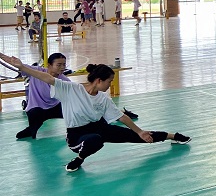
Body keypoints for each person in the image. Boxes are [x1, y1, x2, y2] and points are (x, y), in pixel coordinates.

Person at [0, 55, 188, 171]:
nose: (110, 85)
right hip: (77, 134)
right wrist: (22, 67)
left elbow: (121, 116)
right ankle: (79, 159)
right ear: (98, 80)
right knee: (95, 141)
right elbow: (47, 78)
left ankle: (172, 136)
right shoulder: (71, 89)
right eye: (109, 81)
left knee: (138, 136)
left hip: (100, 127)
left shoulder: (103, 99)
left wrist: (139, 131)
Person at [15, 53, 137, 140]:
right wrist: (11, 60)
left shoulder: (64, 80)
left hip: (56, 107)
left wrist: (119, 114)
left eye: (64, 64)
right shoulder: (36, 71)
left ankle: (118, 114)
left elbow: (79, 92)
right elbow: (19, 66)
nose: (62, 67)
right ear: (49, 65)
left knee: (89, 114)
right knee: (34, 123)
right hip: (37, 108)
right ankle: (31, 129)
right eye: (59, 64)